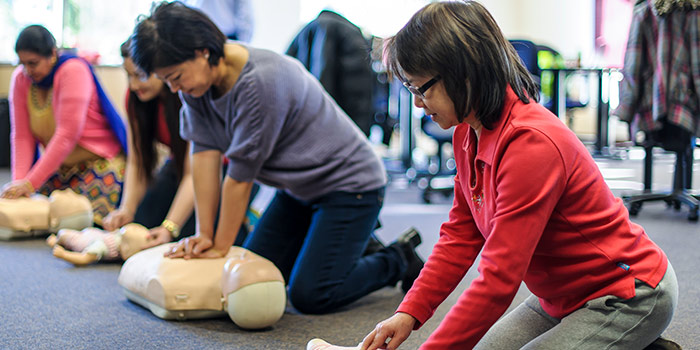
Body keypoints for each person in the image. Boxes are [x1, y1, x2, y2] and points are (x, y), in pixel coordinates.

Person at [357, 2, 678, 350]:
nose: (418, 103)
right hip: (559, 297)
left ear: (464, 73)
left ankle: (634, 337)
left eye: (422, 89)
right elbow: (461, 235)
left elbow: (497, 281)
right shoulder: (466, 133)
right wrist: (410, 311)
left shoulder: (531, 144)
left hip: (627, 293)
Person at [127, 1, 423, 314]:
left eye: (175, 77)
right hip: (297, 190)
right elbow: (203, 159)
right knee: (253, 275)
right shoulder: (195, 87)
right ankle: (348, 245)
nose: (174, 89)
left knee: (310, 294)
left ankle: (397, 257)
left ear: (202, 51)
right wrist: (204, 235)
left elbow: (239, 180)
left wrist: (219, 249)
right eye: (168, 81)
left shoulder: (260, 80)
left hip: (350, 187)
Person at [1, 25, 127, 227]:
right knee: (39, 214)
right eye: (22, 63)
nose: (27, 70)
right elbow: (22, 136)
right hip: (62, 166)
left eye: (33, 63)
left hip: (99, 162)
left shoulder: (73, 70)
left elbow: (67, 135)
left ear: (52, 54)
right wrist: (20, 184)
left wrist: (30, 183)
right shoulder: (21, 78)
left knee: (76, 218)